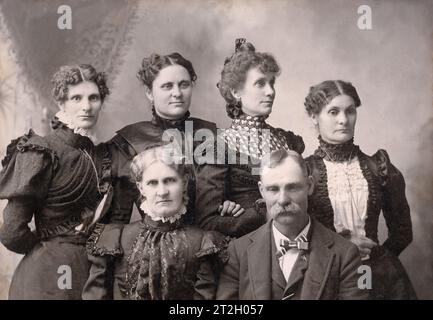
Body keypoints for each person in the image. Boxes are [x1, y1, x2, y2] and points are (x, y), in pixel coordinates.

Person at [0, 64, 111, 299]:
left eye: (94, 97)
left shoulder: (100, 156)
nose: (86, 106)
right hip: (44, 279)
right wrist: (48, 250)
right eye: (76, 98)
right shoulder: (42, 151)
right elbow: (11, 231)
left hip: (89, 276)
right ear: (61, 103)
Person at [304, 80, 416, 299]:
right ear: (314, 117)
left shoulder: (379, 167)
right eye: (333, 112)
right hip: (323, 274)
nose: (343, 120)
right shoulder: (304, 171)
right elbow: (293, 232)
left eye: (350, 111)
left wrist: (378, 261)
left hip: (376, 279)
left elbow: (403, 232)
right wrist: (338, 250)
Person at [103, 52, 240, 225]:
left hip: (212, 240)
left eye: (184, 85)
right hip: (155, 242)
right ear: (149, 93)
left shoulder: (213, 135)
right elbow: (117, 219)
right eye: (167, 86)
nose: (177, 93)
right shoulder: (128, 142)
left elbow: (231, 194)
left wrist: (231, 204)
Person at [216, 149, 368, 300]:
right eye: (273, 189)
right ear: (262, 191)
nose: (283, 200)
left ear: (309, 186)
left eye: (292, 187)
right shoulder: (238, 252)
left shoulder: (346, 254)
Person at [83, 145, 227, 300]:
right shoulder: (115, 239)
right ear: (141, 188)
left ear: (184, 183)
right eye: (152, 183)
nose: (162, 192)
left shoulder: (203, 243)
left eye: (170, 180)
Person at [195, 39, 304, 237]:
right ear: (236, 92)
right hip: (245, 250)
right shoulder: (218, 147)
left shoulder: (287, 141)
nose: (270, 91)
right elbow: (206, 221)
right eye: (260, 83)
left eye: (272, 83)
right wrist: (256, 213)